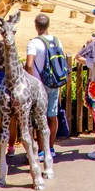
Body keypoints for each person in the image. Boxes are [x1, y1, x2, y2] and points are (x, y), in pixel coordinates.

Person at [25, 13, 62, 159]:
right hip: (54, 83)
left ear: (36, 27)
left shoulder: (33, 43)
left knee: (40, 118)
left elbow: (29, 65)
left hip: (39, 86)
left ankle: (41, 150)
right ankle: (50, 148)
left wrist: (30, 83)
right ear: (48, 25)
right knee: (52, 116)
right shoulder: (57, 41)